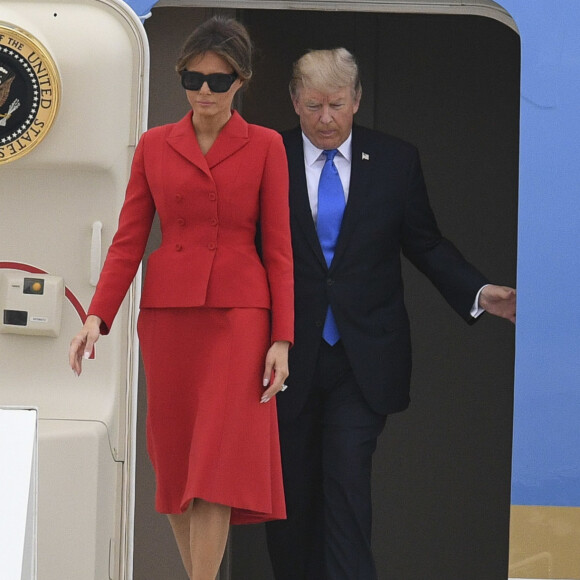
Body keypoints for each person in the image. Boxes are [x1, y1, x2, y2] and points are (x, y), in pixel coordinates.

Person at [265, 48, 516, 580]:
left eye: (336, 104)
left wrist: (478, 290)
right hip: (286, 356)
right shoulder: (267, 157)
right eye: (312, 106)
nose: (326, 118)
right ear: (294, 101)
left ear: (357, 100)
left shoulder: (396, 160)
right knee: (290, 495)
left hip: (363, 357)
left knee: (347, 484)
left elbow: (425, 243)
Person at [69, 17, 293, 580]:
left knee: (215, 463)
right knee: (174, 463)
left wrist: (282, 339)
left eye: (218, 81)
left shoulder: (266, 146)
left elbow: (281, 252)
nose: (204, 92)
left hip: (241, 317)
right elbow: (129, 238)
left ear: (240, 81)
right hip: (169, 318)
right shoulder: (153, 145)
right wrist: (97, 313)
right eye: (194, 79)